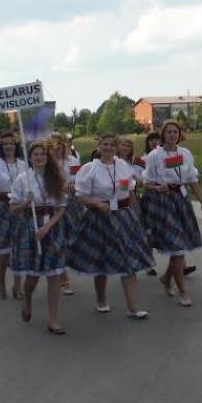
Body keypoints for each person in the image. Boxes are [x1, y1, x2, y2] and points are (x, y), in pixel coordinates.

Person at [67, 133, 153, 317]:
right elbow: (81, 196)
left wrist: (137, 216)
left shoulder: (122, 166)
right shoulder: (89, 169)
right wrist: (97, 204)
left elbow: (129, 192)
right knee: (102, 260)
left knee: (128, 260)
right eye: (105, 144)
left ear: (116, 147)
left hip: (123, 217)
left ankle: (134, 306)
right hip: (100, 217)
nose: (108, 148)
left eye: (112, 145)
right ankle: (101, 298)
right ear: (99, 146)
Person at [141, 120, 202, 307]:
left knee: (178, 248)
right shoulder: (155, 155)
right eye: (169, 132)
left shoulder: (185, 154)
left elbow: (192, 179)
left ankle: (166, 278)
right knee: (177, 248)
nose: (172, 135)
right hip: (163, 202)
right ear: (163, 135)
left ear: (179, 134)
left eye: (175, 132)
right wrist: (157, 188)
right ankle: (183, 292)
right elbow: (146, 183)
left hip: (182, 200)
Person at [8, 141, 68, 334]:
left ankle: (53, 320)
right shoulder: (22, 179)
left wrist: (47, 226)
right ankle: (27, 300)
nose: (40, 157)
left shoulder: (56, 178)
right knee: (32, 277)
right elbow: (13, 209)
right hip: (29, 228)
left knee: (55, 275)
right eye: (36, 154)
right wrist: (26, 202)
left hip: (52, 227)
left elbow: (61, 208)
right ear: (30, 157)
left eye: (43, 154)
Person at [0, 132, 26, 299]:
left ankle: (17, 286)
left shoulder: (24, 165)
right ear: (1, 147)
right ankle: (1, 280)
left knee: (20, 247)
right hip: (2, 207)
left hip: (21, 207)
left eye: (11, 143)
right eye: (5, 144)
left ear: (16, 146)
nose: (8, 146)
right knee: (4, 249)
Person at [49, 133, 80, 296]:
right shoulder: (46, 162)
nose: (57, 145)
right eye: (53, 143)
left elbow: (78, 178)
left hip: (72, 203)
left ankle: (67, 266)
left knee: (73, 239)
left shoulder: (72, 161)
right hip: (54, 203)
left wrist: (73, 185)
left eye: (60, 142)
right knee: (58, 240)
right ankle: (64, 278)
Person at [137, 131, 161, 277]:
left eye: (157, 140)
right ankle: (148, 263)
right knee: (150, 232)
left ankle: (181, 264)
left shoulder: (167, 156)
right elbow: (140, 181)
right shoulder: (142, 159)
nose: (154, 142)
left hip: (167, 195)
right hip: (151, 195)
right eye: (151, 140)